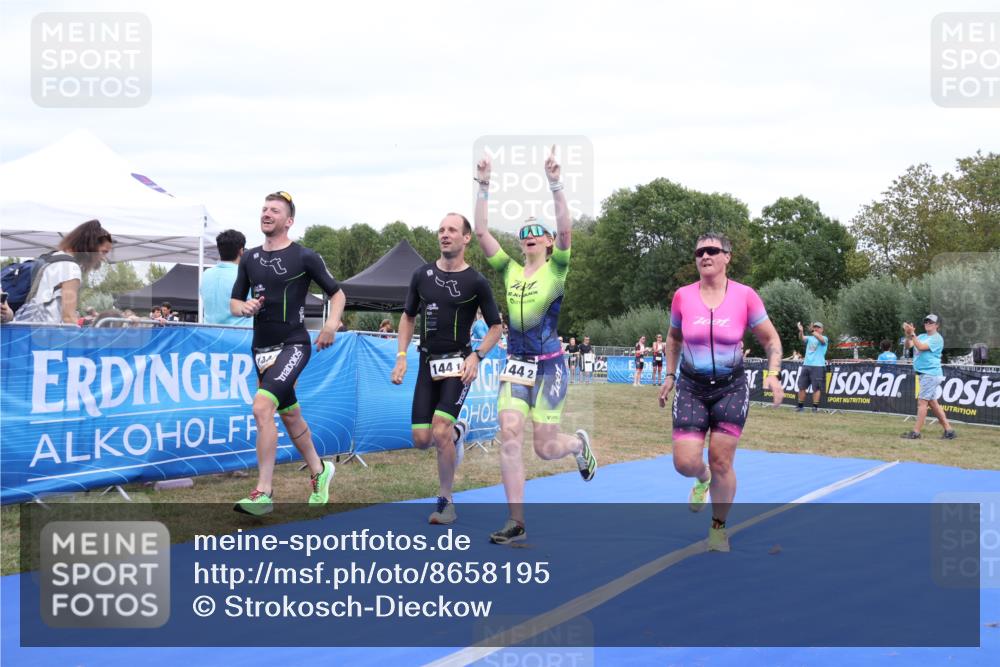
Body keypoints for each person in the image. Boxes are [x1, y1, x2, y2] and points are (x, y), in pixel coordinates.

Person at [475, 146, 597, 545]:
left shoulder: (557, 270)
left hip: (549, 366)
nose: (527, 236)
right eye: (522, 232)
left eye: (535, 232)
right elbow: (481, 233)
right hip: (516, 365)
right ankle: (517, 522)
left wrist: (555, 183)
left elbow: (566, 230)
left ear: (546, 241)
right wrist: (484, 183)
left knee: (545, 448)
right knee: (509, 432)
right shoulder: (509, 270)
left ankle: (578, 445)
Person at [658, 233, 784, 553]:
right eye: (699, 251)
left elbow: (771, 340)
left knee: (721, 461)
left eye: (712, 250)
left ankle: (718, 528)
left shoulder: (745, 296)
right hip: (691, 386)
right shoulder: (683, 297)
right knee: (685, 462)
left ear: (727, 256)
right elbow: (673, 340)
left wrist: (772, 375)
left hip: (731, 387)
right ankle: (701, 479)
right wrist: (669, 375)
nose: (705, 256)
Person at [229, 191, 347, 515]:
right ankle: (320, 471)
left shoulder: (304, 257)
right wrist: (244, 307)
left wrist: (331, 325)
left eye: (275, 210)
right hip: (261, 349)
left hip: (294, 344)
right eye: (264, 208)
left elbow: (337, 294)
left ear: (288, 220)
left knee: (262, 406)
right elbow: (234, 301)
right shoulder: (249, 258)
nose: (267, 213)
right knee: (289, 414)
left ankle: (263, 493)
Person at [392, 213, 502, 525]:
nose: (445, 234)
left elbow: (496, 327)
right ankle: (457, 433)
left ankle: (446, 502)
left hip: (459, 365)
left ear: (466, 238)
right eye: (441, 229)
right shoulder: (421, 275)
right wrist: (401, 356)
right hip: (428, 363)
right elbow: (407, 317)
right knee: (422, 439)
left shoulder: (477, 282)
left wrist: (477, 357)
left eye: (452, 230)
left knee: (438, 431)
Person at [14, 219, 113, 324]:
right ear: (91, 245)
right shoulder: (70, 268)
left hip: (31, 327)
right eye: (104, 252)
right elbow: (68, 317)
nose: (104, 258)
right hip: (50, 334)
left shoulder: (54, 258)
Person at [901, 314, 957, 440]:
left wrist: (913, 334)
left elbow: (920, 347)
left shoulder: (937, 339)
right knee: (933, 403)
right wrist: (908, 333)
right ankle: (949, 431)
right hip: (925, 374)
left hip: (930, 374)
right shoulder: (921, 336)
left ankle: (916, 432)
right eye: (926, 321)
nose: (927, 323)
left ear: (937, 325)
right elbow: (908, 346)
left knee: (922, 403)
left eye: (931, 322)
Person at [201, 229, 248, 326]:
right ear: (241, 251)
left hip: (209, 334)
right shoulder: (245, 275)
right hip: (239, 336)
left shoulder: (205, 274)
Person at [796, 321, 828, 413]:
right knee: (802, 386)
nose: (816, 328)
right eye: (815, 327)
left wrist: (812, 331)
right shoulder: (810, 338)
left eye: (818, 327)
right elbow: (801, 338)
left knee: (816, 388)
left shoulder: (824, 338)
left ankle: (815, 408)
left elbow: (820, 340)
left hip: (818, 366)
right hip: (806, 365)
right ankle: (800, 406)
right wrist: (801, 331)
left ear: (822, 330)